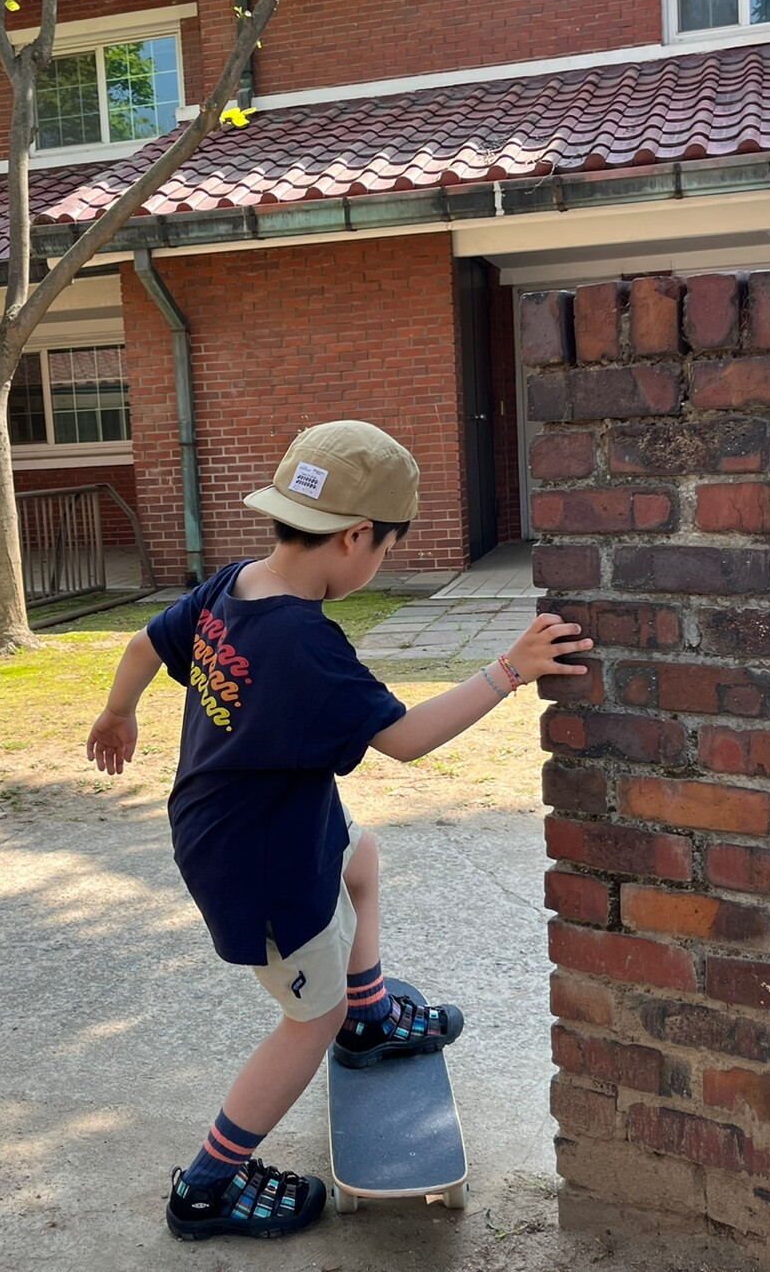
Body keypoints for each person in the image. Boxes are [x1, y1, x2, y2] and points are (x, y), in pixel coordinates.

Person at [86, 419, 592, 1242]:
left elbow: (146, 643)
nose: (381, 560)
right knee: (305, 1020)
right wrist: (509, 670)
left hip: (248, 816)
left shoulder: (236, 584)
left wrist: (118, 711)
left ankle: (368, 1015)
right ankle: (209, 1184)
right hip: (261, 863)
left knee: (363, 854)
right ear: (357, 536)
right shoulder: (305, 643)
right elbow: (406, 738)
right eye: (388, 547)